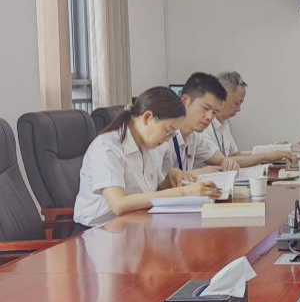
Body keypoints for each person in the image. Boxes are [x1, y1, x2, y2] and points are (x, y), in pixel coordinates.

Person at [74, 87, 221, 227]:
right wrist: (183, 193)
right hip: (97, 230)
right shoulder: (106, 147)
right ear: (147, 117)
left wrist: (172, 177)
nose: (168, 139)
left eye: (172, 134)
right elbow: (119, 205)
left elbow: (154, 189)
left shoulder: (150, 147)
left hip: (135, 223)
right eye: (168, 131)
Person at [167, 72, 291, 172]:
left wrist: (226, 162)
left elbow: (224, 159)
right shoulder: (165, 136)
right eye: (205, 108)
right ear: (185, 100)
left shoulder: (195, 136)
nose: (209, 117)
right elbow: (162, 184)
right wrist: (199, 174)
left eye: (214, 112)